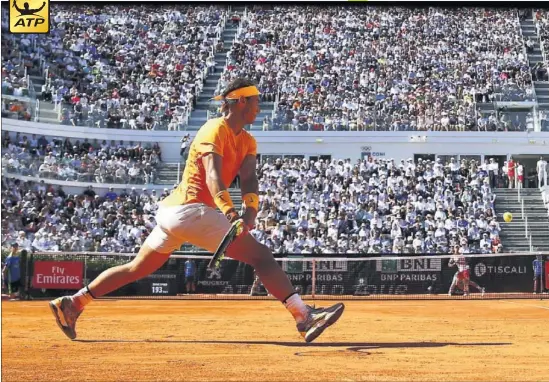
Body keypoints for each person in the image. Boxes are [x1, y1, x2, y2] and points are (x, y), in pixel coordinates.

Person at [49, 79, 345, 343]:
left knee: (137, 269)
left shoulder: (248, 140)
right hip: (191, 210)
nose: (259, 108)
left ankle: (72, 304)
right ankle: (303, 317)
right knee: (262, 257)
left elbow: (250, 177)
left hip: (176, 215)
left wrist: (250, 212)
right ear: (240, 102)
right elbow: (213, 175)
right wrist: (231, 212)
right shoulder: (213, 129)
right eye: (256, 102)